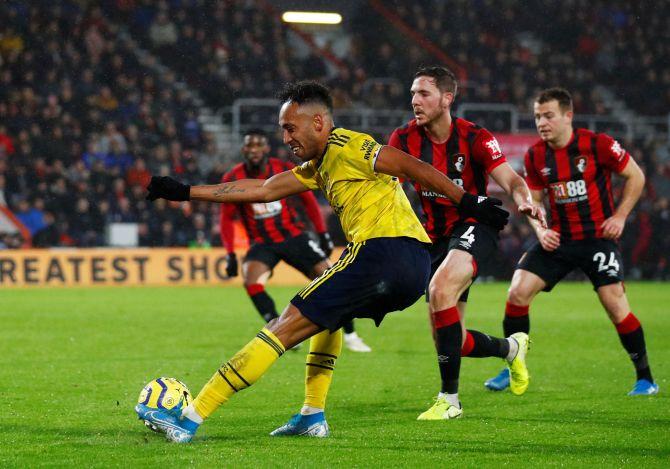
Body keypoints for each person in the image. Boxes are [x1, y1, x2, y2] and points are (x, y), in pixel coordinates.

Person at [137, 81, 508, 443]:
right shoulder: (319, 165)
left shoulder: (348, 144)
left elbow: (411, 166)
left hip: (382, 252)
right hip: (409, 267)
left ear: (318, 123)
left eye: (290, 128)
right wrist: (185, 191)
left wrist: (467, 201)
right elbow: (263, 189)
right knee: (328, 319)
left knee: (284, 326)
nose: (286, 138)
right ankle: (312, 415)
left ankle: (189, 419)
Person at [388, 66, 546, 420]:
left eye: (424, 93)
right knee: (450, 340)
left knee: (441, 289)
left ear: (447, 98)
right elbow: (389, 188)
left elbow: (510, 177)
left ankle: (450, 400)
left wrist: (523, 199)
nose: (415, 100)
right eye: (412, 93)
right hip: (434, 237)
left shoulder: (474, 136)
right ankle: (510, 348)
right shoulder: (403, 139)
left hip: (476, 225)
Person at [484, 87, 658, 396]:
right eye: (537, 116)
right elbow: (534, 202)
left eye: (549, 116)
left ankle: (645, 378)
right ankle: (513, 365)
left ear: (568, 116)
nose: (542, 122)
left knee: (615, 306)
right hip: (559, 241)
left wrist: (619, 217)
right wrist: (541, 231)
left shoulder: (598, 145)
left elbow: (637, 176)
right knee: (517, 292)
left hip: (597, 240)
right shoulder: (536, 154)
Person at [221, 128, 371, 352]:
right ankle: (276, 327)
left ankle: (350, 335)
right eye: (249, 146)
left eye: (258, 145)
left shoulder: (281, 169)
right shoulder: (232, 178)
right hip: (262, 243)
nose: (253, 150)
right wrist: (231, 253)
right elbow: (226, 218)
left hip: (294, 236)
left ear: (266, 149)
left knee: (330, 279)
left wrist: (322, 233)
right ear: (244, 149)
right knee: (251, 282)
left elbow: (309, 201)